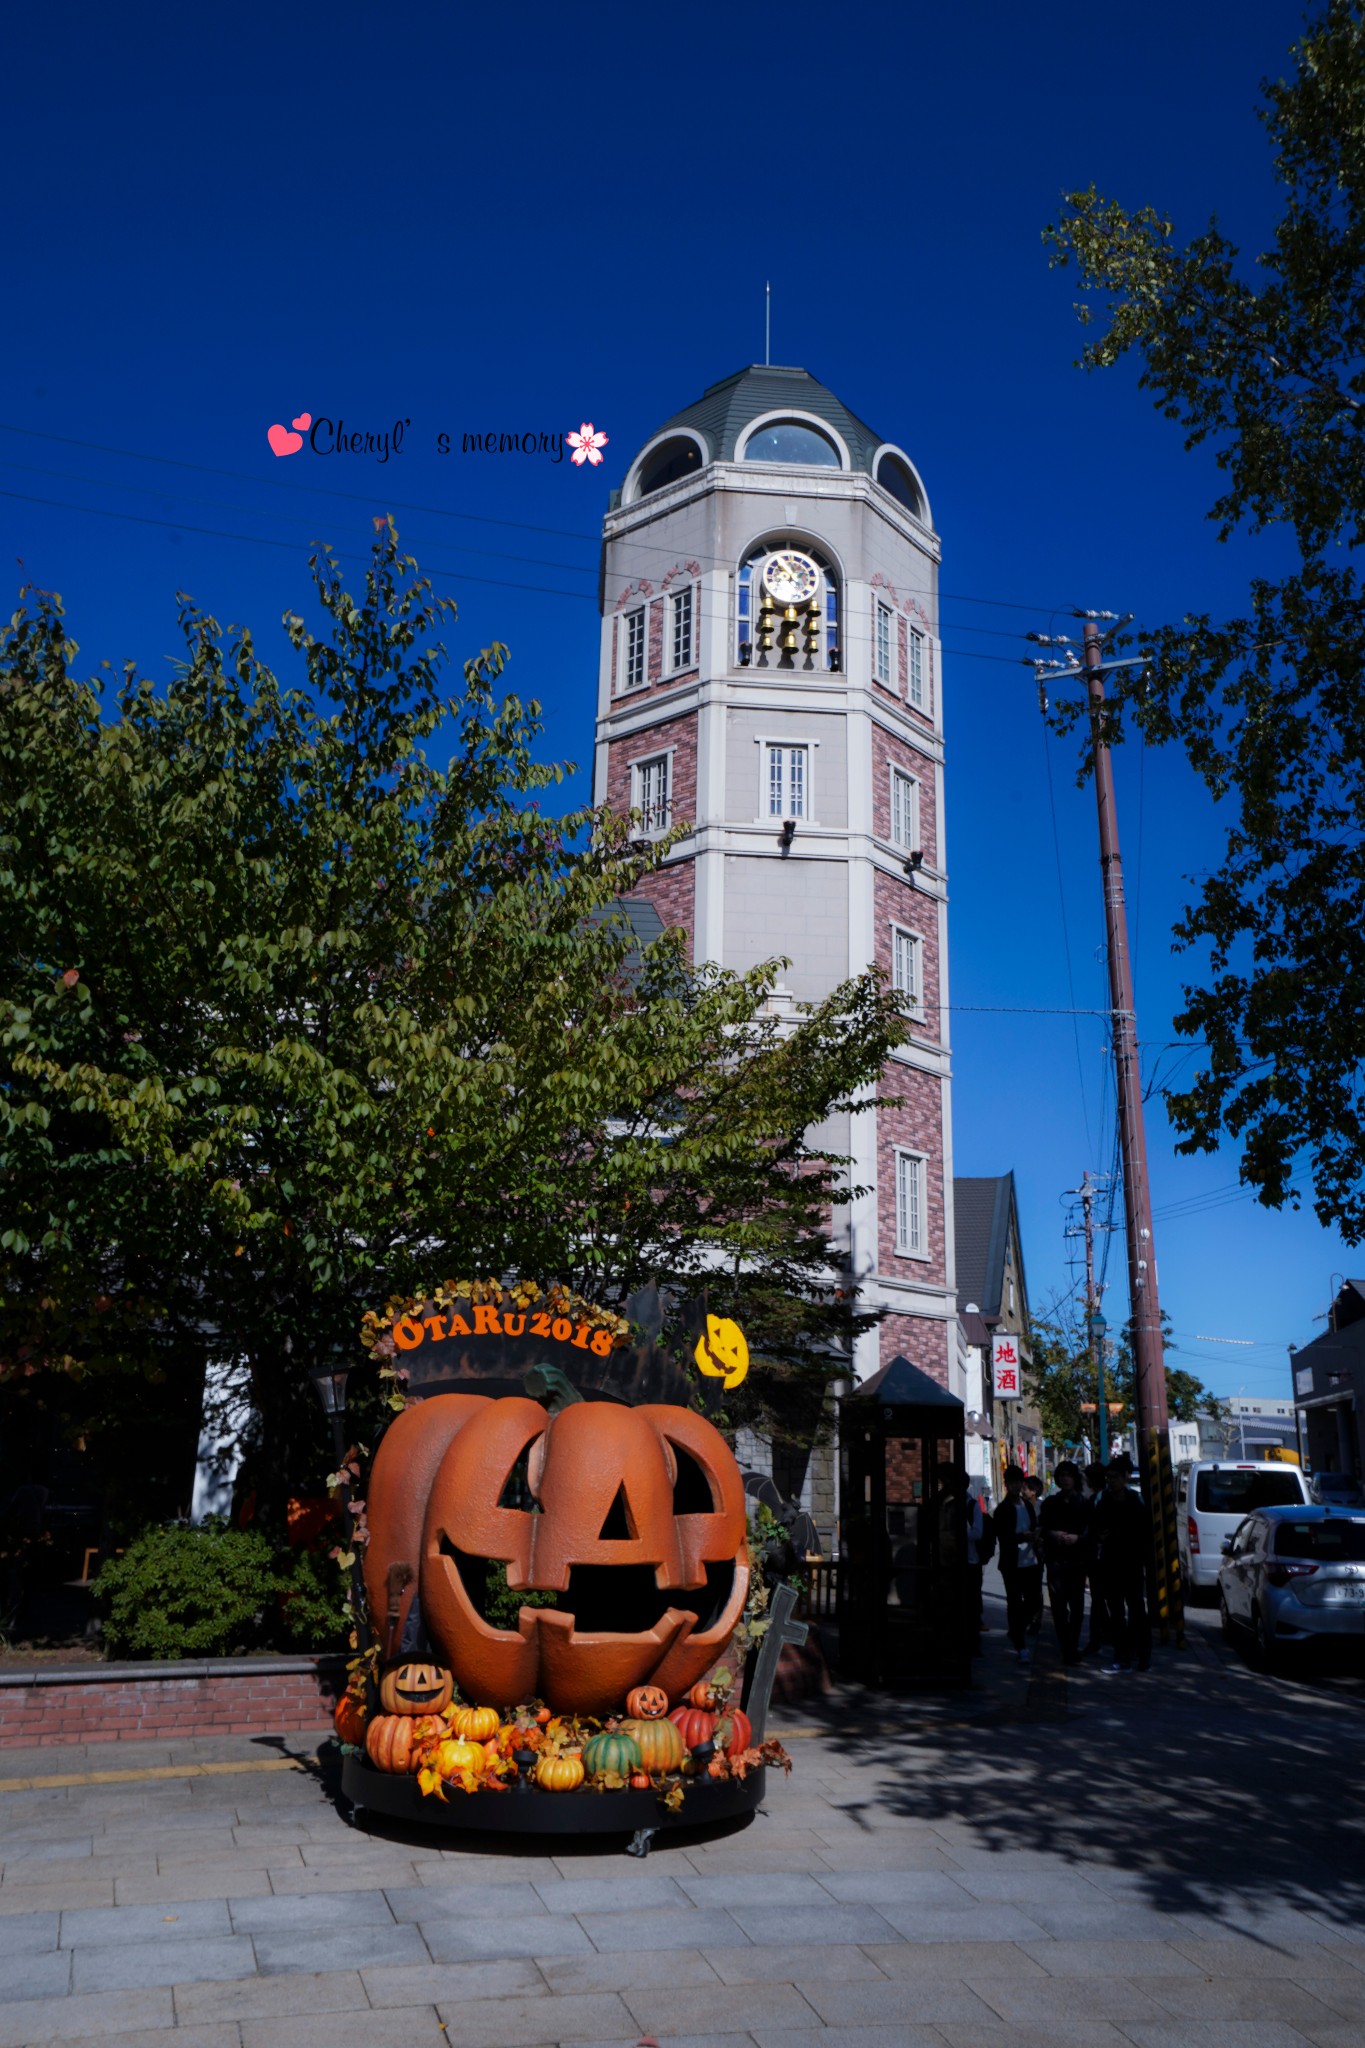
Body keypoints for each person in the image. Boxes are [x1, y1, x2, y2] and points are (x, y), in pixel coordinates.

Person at [1090, 1457, 1153, 1673]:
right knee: (1116, 1613)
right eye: (1108, 1478)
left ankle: (1143, 1655)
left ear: (1125, 1477)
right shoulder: (1102, 1500)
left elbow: (1146, 1531)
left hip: (1133, 1563)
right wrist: (1100, 1535)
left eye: (1115, 1477)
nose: (1111, 1481)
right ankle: (1121, 1655)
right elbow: (1094, 1529)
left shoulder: (1136, 1500)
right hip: (1110, 1563)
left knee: (1137, 1611)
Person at [990, 1466, 1043, 1663]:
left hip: (1031, 1561)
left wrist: (1035, 1538)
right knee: (1014, 1602)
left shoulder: (1027, 1506)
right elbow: (1003, 1537)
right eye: (1010, 1482)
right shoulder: (1002, 1510)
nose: (1014, 1486)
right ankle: (1021, 1646)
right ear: (1006, 1484)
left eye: (1017, 1482)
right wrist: (1023, 1536)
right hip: (1011, 1563)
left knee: (1034, 1601)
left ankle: (1016, 1630)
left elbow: (1033, 1527)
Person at [1039, 1459, 1090, 1663]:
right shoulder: (1051, 1503)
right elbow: (1042, 1527)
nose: (1065, 1479)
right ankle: (1066, 1646)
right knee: (1058, 1608)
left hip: (1077, 1560)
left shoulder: (1084, 1504)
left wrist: (1077, 1538)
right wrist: (1054, 1534)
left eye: (1069, 1475)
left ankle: (1072, 1645)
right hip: (1056, 1560)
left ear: (1074, 1478)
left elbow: (1090, 1532)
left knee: (1077, 1607)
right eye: (1062, 1476)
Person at [1081, 1461, 1111, 1655]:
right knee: (1103, 1600)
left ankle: (1097, 1639)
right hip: (1100, 1556)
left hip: (1102, 1556)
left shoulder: (1098, 1501)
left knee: (1101, 1600)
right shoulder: (1098, 1499)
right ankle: (1104, 1634)